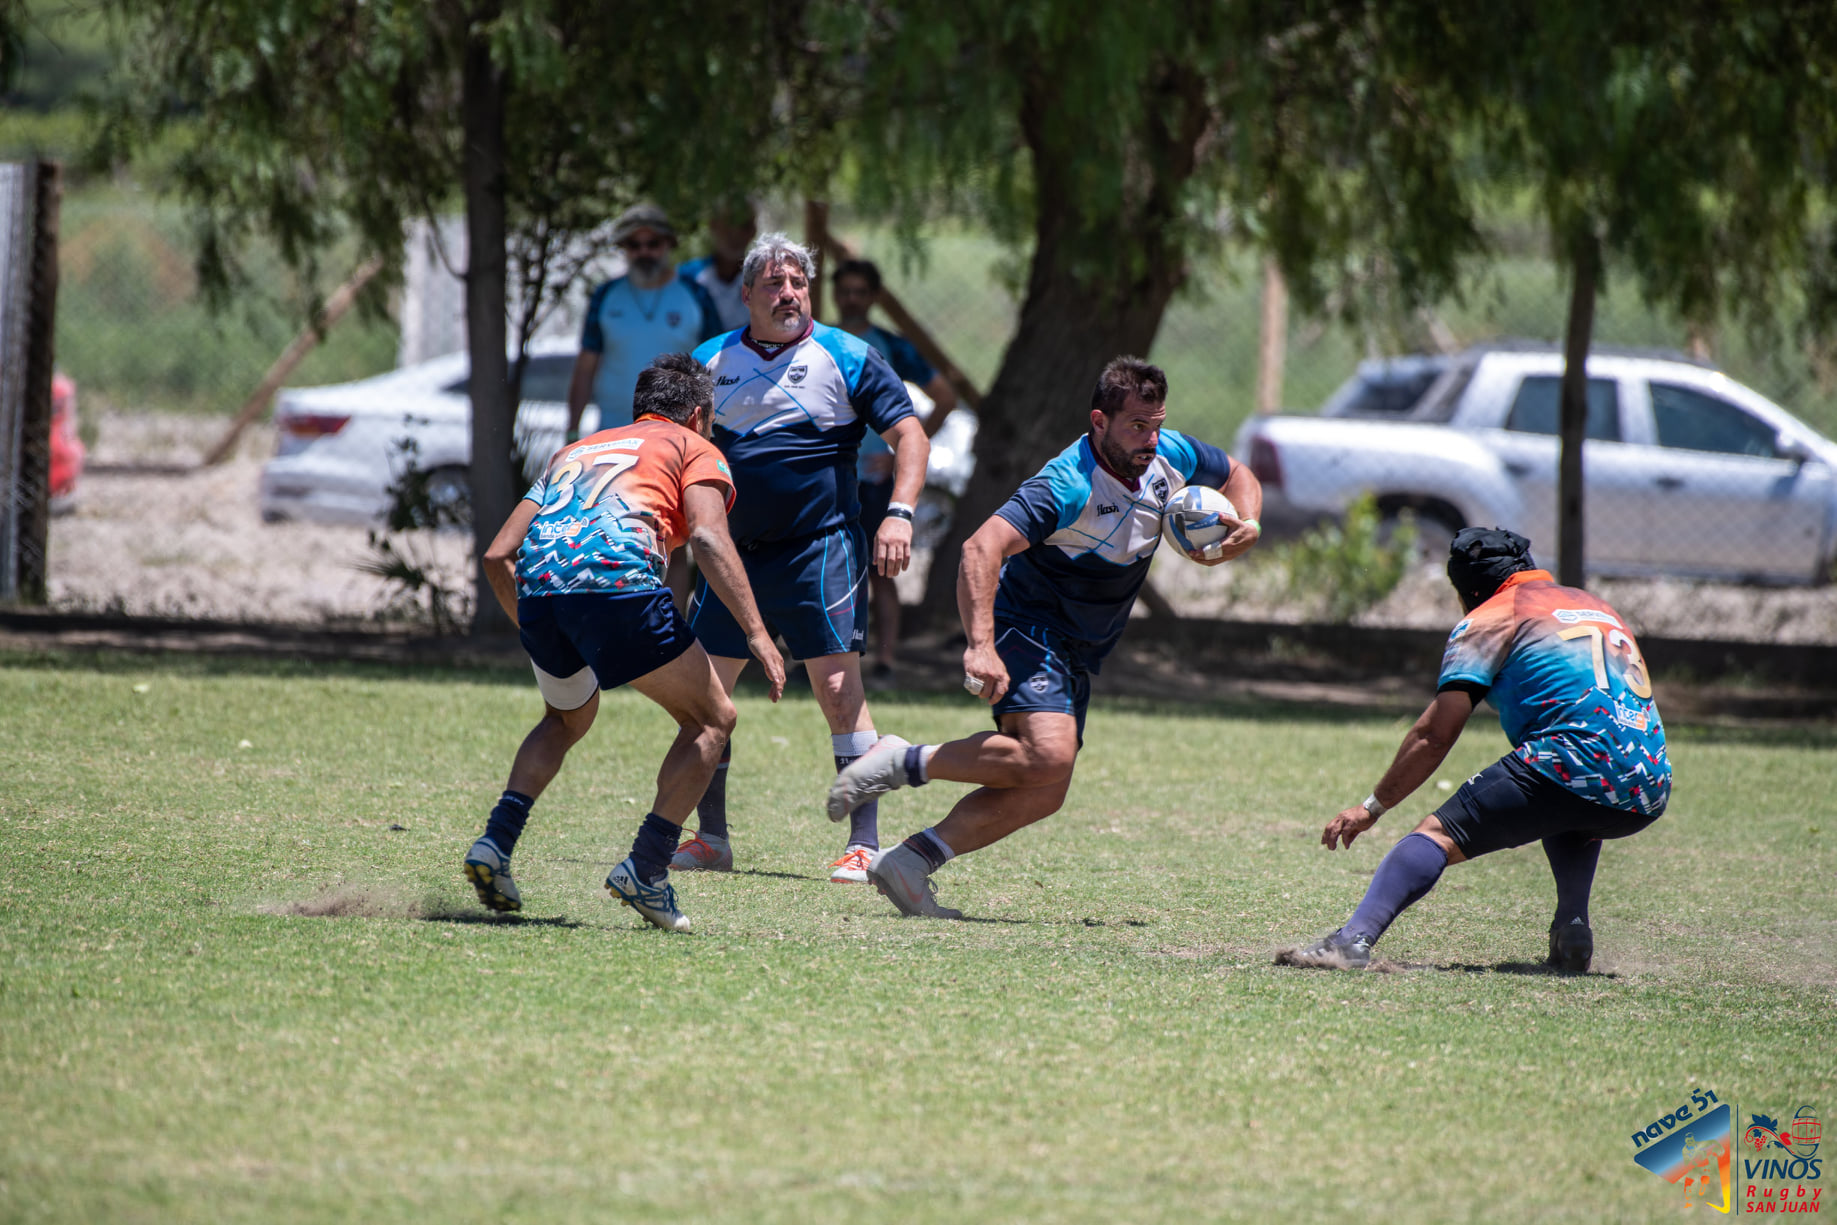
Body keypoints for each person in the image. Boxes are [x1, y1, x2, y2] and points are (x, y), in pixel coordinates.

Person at [826, 357, 1264, 918]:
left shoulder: (1169, 455)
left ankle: (910, 861)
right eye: (1137, 427)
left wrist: (1248, 523)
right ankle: (902, 760)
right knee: (1048, 755)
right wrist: (980, 645)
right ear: (1099, 421)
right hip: (1028, 625)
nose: (1151, 440)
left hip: (1079, 646)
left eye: (1156, 425)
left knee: (1044, 787)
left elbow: (1237, 473)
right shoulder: (1067, 484)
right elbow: (979, 548)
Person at [463, 353, 786, 933]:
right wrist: (758, 633)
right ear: (699, 414)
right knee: (713, 720)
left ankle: (496, 841)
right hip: (619, 586)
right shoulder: (693, 446)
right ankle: (647, 868)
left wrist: (540, 626)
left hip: (540, 592)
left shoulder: (575, 451)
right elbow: (709, 538)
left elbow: (497, 555)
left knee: (563, 719)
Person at [1276, 527, 1671, 972]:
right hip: (1649, 784)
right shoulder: (1595, 605)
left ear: (1469, 589)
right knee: (1570, 805)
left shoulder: (1492, 616)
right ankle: (1572, 928)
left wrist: (1372, 807)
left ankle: (1352, 940)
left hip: (1569, 760)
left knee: (1436, 835)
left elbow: (1435, 734)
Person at [671, 233, 931, 885]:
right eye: (775, 283)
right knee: (706, 697)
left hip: (822, 550)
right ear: (746, 294)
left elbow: (910, 434)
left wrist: (899, 513)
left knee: (840, 692)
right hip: (732, 556)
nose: (789, 294)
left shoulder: (847, 354)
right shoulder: (708, 360)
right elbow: (674, 448)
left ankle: (864, 845)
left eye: (798, 283)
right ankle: (711, 840)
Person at [831, 257, 961, 685]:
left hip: (872, 479)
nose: (852, 299)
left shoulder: (889, 346)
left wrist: (900, 452)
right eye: (845, 291)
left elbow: (945, 398)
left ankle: (885, 659)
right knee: (829, 570)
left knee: (880, 571)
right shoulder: (820, 342)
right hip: (829, 477)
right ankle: (825, 659)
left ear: (873, 297)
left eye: (860, 292)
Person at [566, 204, 723, 441]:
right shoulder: (605, 295)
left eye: (653, 244)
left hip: (679, 437)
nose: (644, 252)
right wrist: (572, 430)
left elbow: (718, 365)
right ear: (624, 248)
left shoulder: (696, 295)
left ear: (668, 244)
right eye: (634, 245)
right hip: (613, 434)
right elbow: (586, 367)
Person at [678, 200, 757, 333]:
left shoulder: (764, 282)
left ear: (753, 230)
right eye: (728, 224)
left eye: (743, 226)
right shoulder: (687, 279)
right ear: (713, 225)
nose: (735, 234)